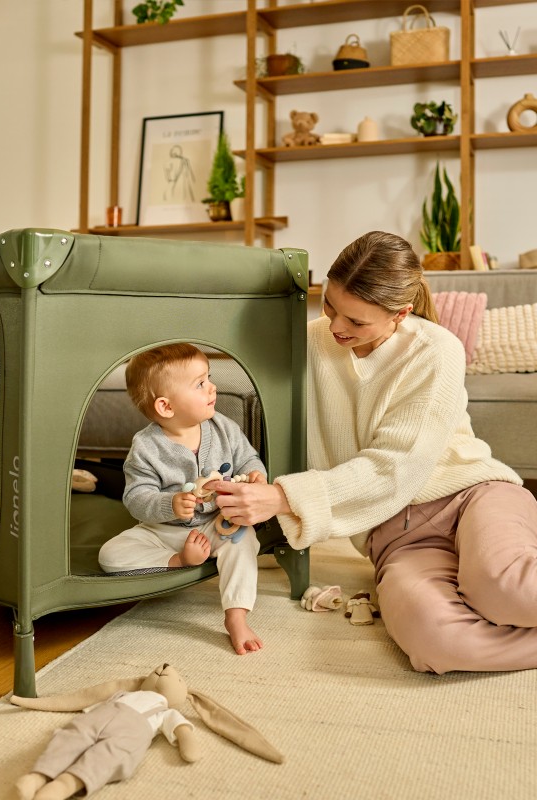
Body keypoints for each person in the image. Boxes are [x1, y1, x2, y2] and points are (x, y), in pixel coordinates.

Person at [206, 230, 537, 674]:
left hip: (470, 496)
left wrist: (283, 497)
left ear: (400, 314)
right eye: (329, 307)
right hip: (397, 537)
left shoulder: (437, 349)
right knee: (435, 641)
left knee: (505, 590)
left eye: (357, 322)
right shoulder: (308, 342)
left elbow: (397, 466)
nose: (337, 327)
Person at [98, 344, 267, 656]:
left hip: (218, 525)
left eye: (209, 377)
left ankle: (236, 616)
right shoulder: (146, 447)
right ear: (165, 407)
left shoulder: (224, 428)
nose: (212, 386)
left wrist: (256, 475)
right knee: (110, 556)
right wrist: (169, 504)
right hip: (165, 532)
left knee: (245, 542)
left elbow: (248, 460)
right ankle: (180, 563)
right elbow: (135, 497)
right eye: (200, 384)